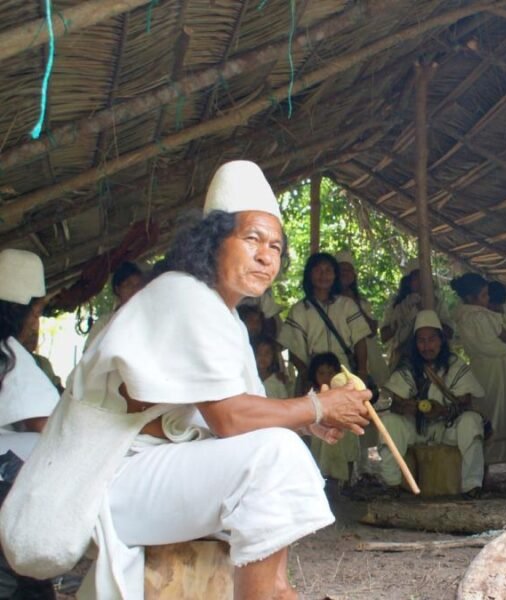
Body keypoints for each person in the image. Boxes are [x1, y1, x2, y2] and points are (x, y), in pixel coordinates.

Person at [0, 161, 372, 600]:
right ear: (212, 240)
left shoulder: (224, 316)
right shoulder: (183, 294)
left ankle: (275, 588)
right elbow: (229, 420)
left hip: (141, 480)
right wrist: (316, 408)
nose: (266, 254)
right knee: (275, 456)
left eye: (275, 245)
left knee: (277, 451)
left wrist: (308, 421)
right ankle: (269, 594)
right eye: (251, 238)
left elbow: (242, 415)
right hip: (109, 482)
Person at [280, 251, 371, 485]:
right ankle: (319, 480)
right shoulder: (300, 310)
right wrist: (309, 376)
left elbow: (361, 340)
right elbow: (294, 349)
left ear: (335, 275)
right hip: (315, 372)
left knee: (347, 424)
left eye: (328, 270)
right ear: (310, 274)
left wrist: (361, 371)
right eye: (318, 270)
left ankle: (349, 480)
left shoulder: (347, 305)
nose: (323, 275)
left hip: (344, 374)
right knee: (316, 422)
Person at [379, 310, 486, 498]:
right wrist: (406, 407)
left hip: (447, 428)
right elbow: (395, 404)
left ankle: (471, 486)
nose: (426, 346)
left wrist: (442, 411)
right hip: (416, 429)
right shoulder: (408, 366)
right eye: (421, 340)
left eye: (431, 340)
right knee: (389, 422)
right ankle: (392, 485)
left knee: (471, 420)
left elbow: (466, 403)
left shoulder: (455, 365)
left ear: (441, 341)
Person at [450, 274, 506, 471]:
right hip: (488, 370)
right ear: (470, 298)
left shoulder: (480, 315)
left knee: (502, 409)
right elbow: (490, 344)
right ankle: (483, 465)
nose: (487, 300)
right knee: (489, 412)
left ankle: (499, 462)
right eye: (484, 295)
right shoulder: (474, 317)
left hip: (498, 369)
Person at [0, 249, 60, 460]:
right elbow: (45, 425)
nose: (35, 323)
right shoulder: (10, 354)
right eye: (36, 312)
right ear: (21, 310)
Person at [380, 259, 453, 370]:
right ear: (408, 282)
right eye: (416, 278)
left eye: (423, 277)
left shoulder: (438, 303)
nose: (420, 282)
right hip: (404, 360)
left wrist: (429, 315)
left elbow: (449, 332)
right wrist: (409, 315)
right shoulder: (398, 306)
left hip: (434, 359)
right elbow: (384, 336)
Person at [335, 250, 389, 386]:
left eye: (348, 270)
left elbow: (371, 330)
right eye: (341, 269)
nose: (345, 273)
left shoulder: (363, 303)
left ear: (354, 275)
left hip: (364, 360)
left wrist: (355, 303)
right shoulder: (329, 303)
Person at [84, 262, 146, 351]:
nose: (134, 290)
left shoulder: (148, 320)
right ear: (117, 289)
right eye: (128, 285)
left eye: (138, 285)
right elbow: (88, 359)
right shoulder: (104, 324)